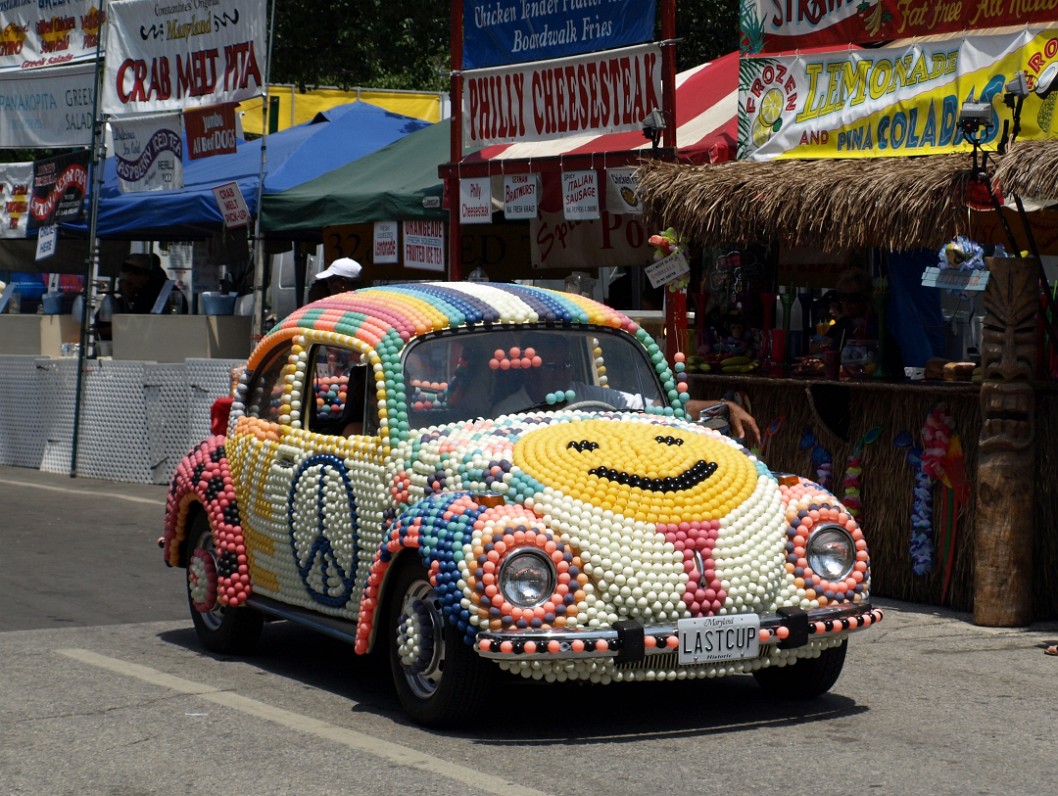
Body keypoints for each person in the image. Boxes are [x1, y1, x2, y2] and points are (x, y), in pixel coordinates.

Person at [492, 335, 760, 446]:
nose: (563, 373)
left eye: (567, 364)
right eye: (552, 367)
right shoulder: (506, 412)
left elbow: (658, 407)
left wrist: (723, 406)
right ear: (530, 368)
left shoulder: (592, 396)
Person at [114, 253, 184, 314]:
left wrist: (127, 298)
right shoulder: (164, 287)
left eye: (130, 282)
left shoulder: (151, 293)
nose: (132, 286)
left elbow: (135, 318)